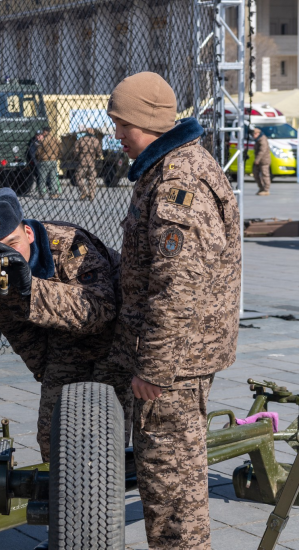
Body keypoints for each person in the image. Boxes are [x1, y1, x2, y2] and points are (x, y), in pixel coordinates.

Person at [107, 72, 241, 550]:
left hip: (173, 366)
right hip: (180, 358)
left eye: (121, 123)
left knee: (172, 490)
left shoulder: (178, 180)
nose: (117, 134)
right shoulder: (172, 167)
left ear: (144, 121)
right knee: (172, 481)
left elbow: (177, 286)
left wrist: (154, 369)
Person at [0, 188, 131, 463]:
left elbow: (100, 309)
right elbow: (22, 336)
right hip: (65, 342)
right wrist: (47, 374)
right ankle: (59, 496)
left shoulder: (69, 244)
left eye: (13, 243)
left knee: (107, 436)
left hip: (116, 336)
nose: (7, 255)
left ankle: (104, 498)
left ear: (29, 233)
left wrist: (31, 288)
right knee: (53, 434)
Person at [73, 126, 102, 200]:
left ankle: (84, 192)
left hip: (82, 162)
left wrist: (78, 156)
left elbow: (75, 151)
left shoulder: (81, 140)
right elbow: (99, 153)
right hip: (92, 162)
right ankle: (91, 195)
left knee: (79, 177)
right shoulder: (96, 140)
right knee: (92, 179)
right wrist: (96, 157)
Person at [35, 126, 61, 198]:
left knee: (42, 177)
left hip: (44, 161)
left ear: (45, 132)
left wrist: (38, 158)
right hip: (53, 161)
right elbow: (60, 149)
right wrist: (57, 157)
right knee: (53, 177)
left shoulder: (43, 141)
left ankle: (42, 193)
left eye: (43, 131)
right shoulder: (56, 140)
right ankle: (54, 193)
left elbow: (38, 152)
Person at [252, 126, 271, 196]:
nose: (253, 135)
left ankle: (266, 190)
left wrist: (257, 160)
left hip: (264, 160)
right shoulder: (258, 139)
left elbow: (262, 151)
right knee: (255, 173)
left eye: (254, 134)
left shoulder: (262, 139)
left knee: (265, 174)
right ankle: (261, 188)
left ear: (258, 133)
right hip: (260, 160)